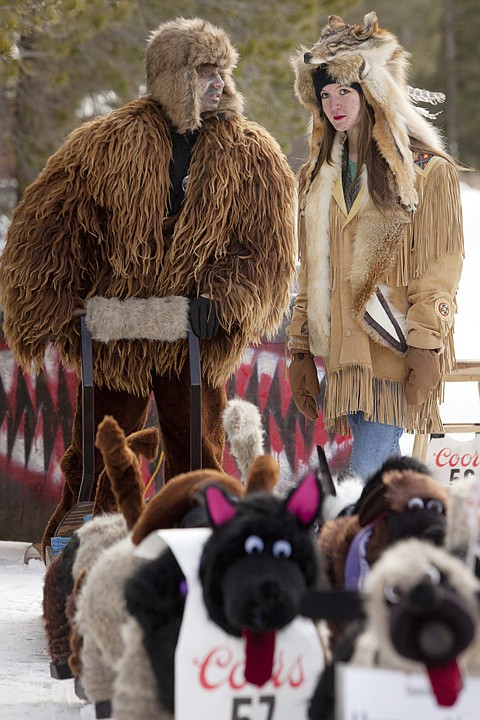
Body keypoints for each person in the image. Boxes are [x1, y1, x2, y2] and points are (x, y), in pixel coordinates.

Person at [0, 17, 296, 556]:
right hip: (117, 335)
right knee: (102, 452)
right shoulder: (105, 144)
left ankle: (204, 551)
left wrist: (224, 302)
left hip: (196, 334)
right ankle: (84, 555)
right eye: (203, 72)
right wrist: (60, 305)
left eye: (221, 72)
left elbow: (267, 248)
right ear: (169, 77)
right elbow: (50, 226)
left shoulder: (254, 154)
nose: (217, 84)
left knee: (199, 450)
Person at [286, 12, 464, 480]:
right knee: (375, 498)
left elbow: (440, 268)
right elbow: (310, 272)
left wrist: (426, 345)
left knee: (363, 486)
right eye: (324, 94)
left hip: (396, 359)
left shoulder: (426, 172)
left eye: (345, 89)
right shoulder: (317, 180)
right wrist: (300, 349)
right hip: (347, 363)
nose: (334, 103)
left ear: (373, 91)